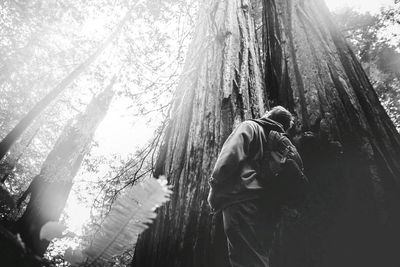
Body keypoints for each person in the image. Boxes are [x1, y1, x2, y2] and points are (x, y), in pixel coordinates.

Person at [207, 106, 299, 267]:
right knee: (258, 256)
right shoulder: (284, 144)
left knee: (244, 259)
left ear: (268, 114)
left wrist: (215, 185)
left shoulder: (251, 126)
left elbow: (231, 155)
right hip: (269, 207)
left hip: (242, 199)